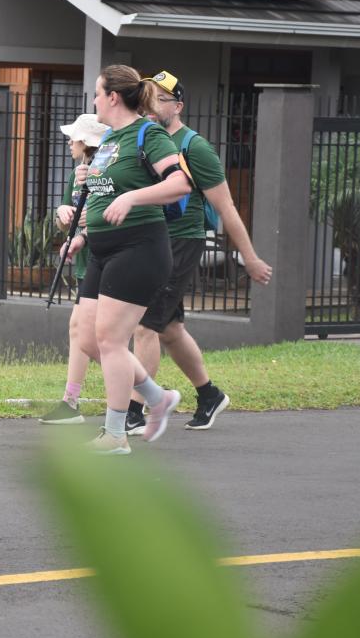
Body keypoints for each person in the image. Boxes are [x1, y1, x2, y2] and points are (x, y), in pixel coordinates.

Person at [124, 72, 273, 434]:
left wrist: (249, 257)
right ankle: (209, 395)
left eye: (160, 98)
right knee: (170, 329)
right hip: (154, 240)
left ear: (178, 106)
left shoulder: (195, 147)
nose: (150, 104)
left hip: (181, 241)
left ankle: (133, 411)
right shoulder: (146, 140)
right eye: (147, 96)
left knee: (145, 326)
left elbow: (227, 208)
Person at [61, 65, 193, 455]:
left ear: (113, 97)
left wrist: (131, 197)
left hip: (139, 248)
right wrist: (82, 236)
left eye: (97, 94)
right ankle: (157, 398)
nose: (95, 101)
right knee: (88, 339)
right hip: (102, 250)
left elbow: (179, 183)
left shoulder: (147, 134)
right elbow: (103, 197)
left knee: (111, 340)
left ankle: (115, 433)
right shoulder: (109, 141)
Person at [39, 113, 109, 425]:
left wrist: (85, 232)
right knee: (80, 332)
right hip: (87, 264)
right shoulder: (76, 173)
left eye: (75, 138)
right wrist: (62, 212)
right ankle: (71, 401)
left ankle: (143, 393)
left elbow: (114, 213)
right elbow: (65, 217)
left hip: (108, 260)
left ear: (88, 143)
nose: (70, 142)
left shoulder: (106, 171)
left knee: (98, 337)